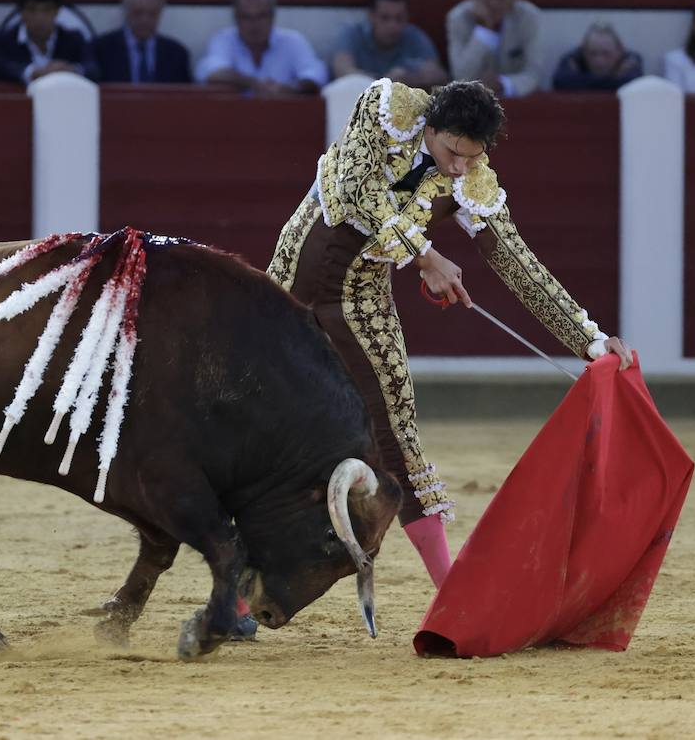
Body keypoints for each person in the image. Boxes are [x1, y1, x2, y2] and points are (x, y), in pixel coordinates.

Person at [268, 76, 630, 589]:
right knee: (262, 424)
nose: (459, 167)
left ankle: (452, 587)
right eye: (452, 151)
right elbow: (352, 190)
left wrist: (589, 340)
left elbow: (517, 262)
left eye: (470, 157)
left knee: (397, 432)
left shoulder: (472, 180)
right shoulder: (386, 108)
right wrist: (427, 256)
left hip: (361, 300)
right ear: (431, 126)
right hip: (287, 279)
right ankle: (238, 589)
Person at [196, 0, 327, 94]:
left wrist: (290, 89)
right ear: (236, 19)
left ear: (272, 17)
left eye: (261, 16)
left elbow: (317, 75)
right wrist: (254, 84)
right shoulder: (223, 39)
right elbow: (211, 73)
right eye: (246, 17)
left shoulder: (293, 41)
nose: (254, 24)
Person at [446, 0, 541, 97]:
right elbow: (460, 76)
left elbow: (534, 73)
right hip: (472, 101)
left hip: (516, 99)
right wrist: (485, 30)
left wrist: (504, 84)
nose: (493, 2)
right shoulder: (458, 17)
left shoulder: (529, 16)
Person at [331, 0, 447, 87]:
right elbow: (342, 70)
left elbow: (439, 75)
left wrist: (409, 77)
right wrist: (386, 81)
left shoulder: (415, 36)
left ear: (407, 16)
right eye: (385, 18)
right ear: (371, 16)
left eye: (399, 18)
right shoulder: (352, 34)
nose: (392, 26)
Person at [0, 0, 98, 84]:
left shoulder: (74, 40)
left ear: (57, 12)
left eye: (47, 9)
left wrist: (70, 70)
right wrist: (32, 72)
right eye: (32, 9)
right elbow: (0, 68)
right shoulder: (2, 41)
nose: (39, 17)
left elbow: (93, 69)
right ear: (21, 13)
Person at [93, 0, 193, 83]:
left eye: (152, 14)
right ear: (127, 12)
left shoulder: (177, 54)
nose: (144, 20)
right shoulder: (101, 49)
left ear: (160, 14)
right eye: (138, 12)